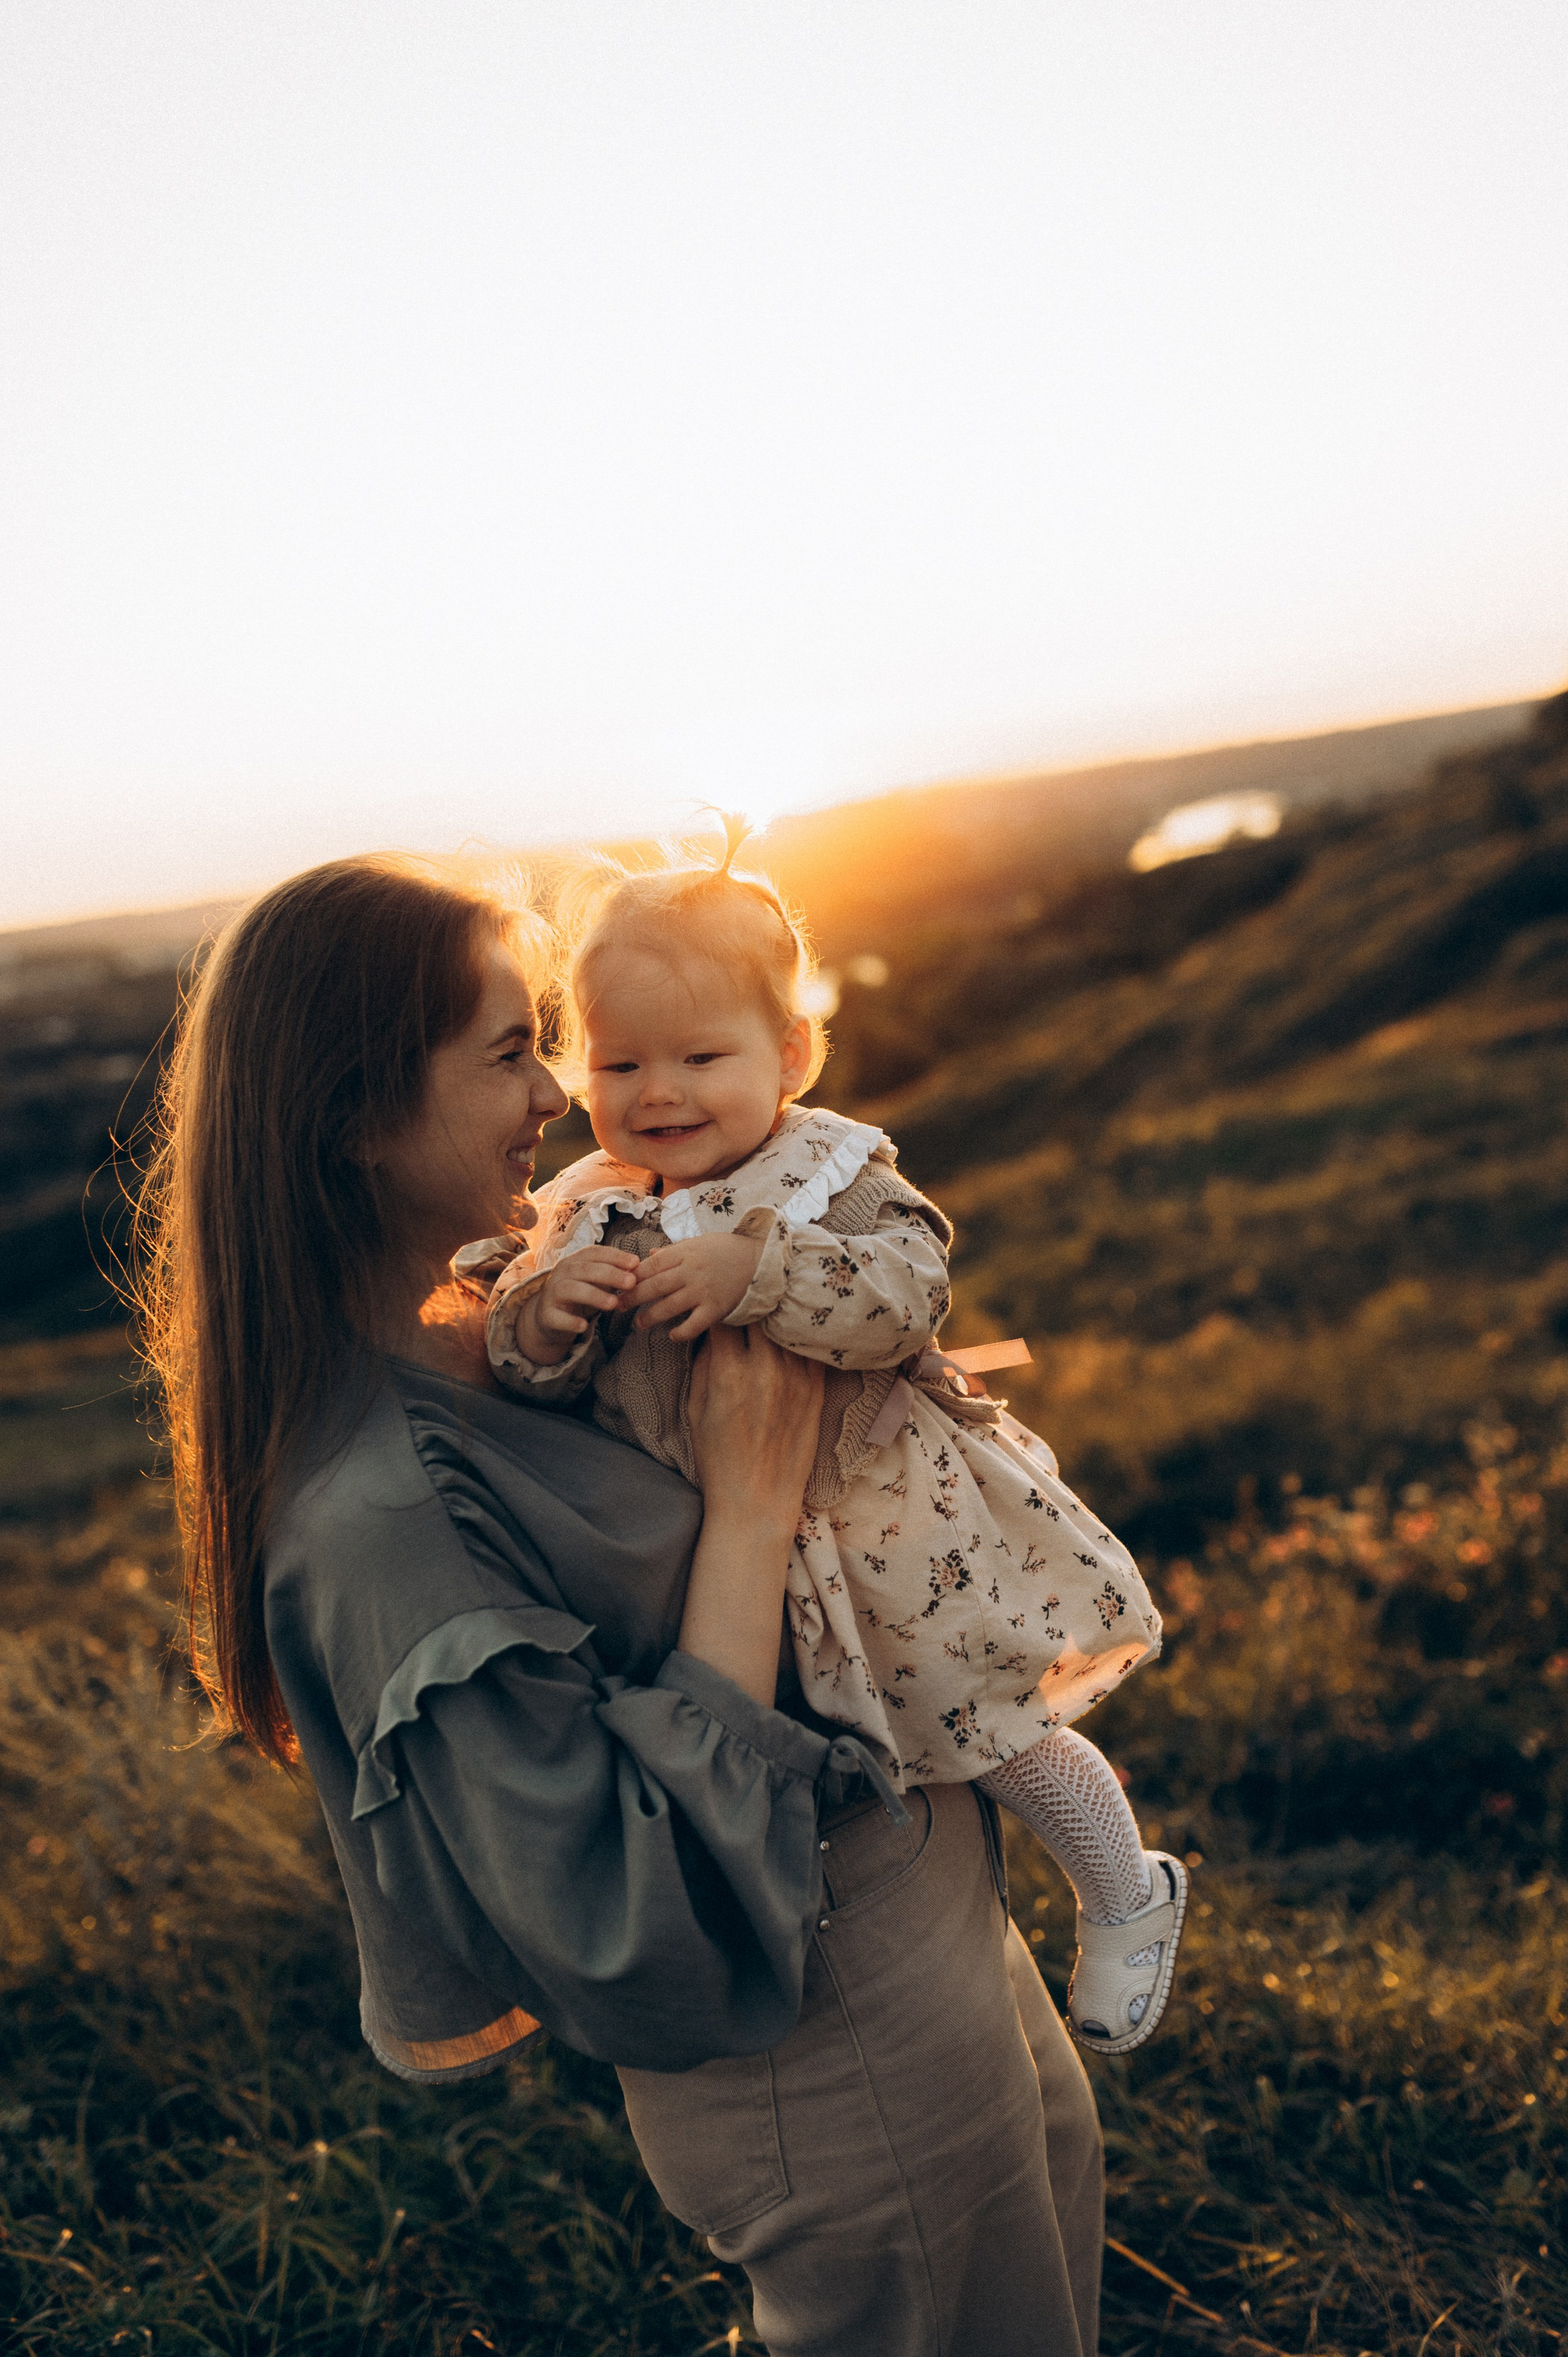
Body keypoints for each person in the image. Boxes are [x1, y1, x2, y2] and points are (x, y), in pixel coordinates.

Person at [136, 852, 1105, 2357]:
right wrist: (753, 1503)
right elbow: (624, 1920)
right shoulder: (385, 1513)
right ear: (357, 1115)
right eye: (508, 1052)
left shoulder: (507, 1315)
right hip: (824, 2019)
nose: (560, 1092)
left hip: (911, 1913)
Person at [474, 828, 1185, 2054]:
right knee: (834, 1776)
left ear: (791, 1054)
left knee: (988, 1727)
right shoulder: (590, 1206)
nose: (658, 1092)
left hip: (884, 1529)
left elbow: (911, 1291)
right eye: (620, 1062)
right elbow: (537, 1377)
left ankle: (1125, 1888)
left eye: (701, 1056)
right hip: (731, 1572)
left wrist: (759, 1271)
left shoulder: (828, 1172)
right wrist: (541, 1321)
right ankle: (886, 1974)